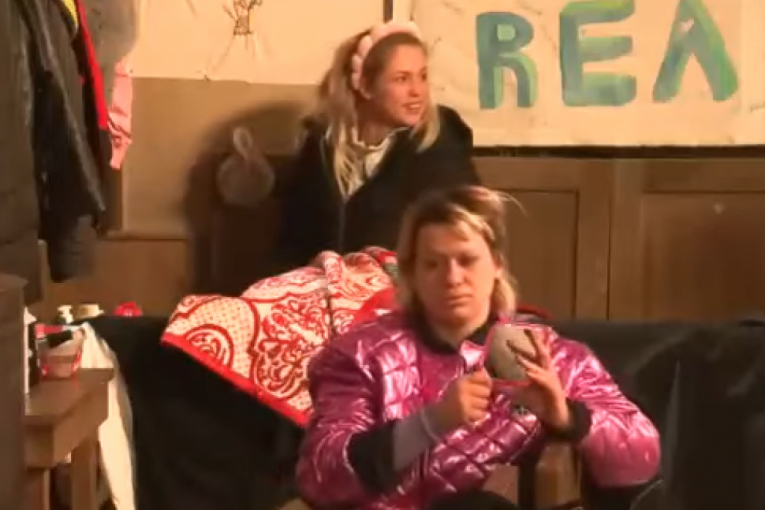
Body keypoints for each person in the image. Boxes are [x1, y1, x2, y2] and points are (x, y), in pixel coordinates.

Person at [295, 185, 661, 509]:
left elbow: (643, 456)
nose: (452, 278)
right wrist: (431, 422)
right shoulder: (360, 354)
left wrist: (568, 417)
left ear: (497, 264)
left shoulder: (552, 355)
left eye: (467, 261)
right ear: (412, 274)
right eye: (433, 264)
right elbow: (320, 478)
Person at [275, 21, 479, 270]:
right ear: (365, 86)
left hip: (405, 289)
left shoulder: (441, 149)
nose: (417, 91)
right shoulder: (321, 146)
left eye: (422, 76)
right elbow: (292, 240)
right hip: (323, 285)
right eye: (402, 79)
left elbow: (467, 242)